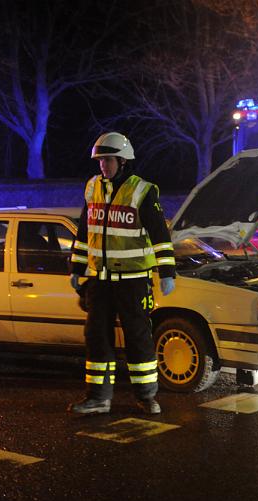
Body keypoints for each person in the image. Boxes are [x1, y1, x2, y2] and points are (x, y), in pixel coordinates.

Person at [68, 132, 176, 415]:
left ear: (123, 161)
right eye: (101, 160)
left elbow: (160, 235)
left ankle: (146, 397)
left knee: (138, 338)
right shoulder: (92, 188)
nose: (104, 165)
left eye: (109, 160)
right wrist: (76, 268)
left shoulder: (142, 191)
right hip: (100, 281)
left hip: (133, 280)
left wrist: (167, 272)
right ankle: (98, 398)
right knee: (96, 338)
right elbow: (84, 232)